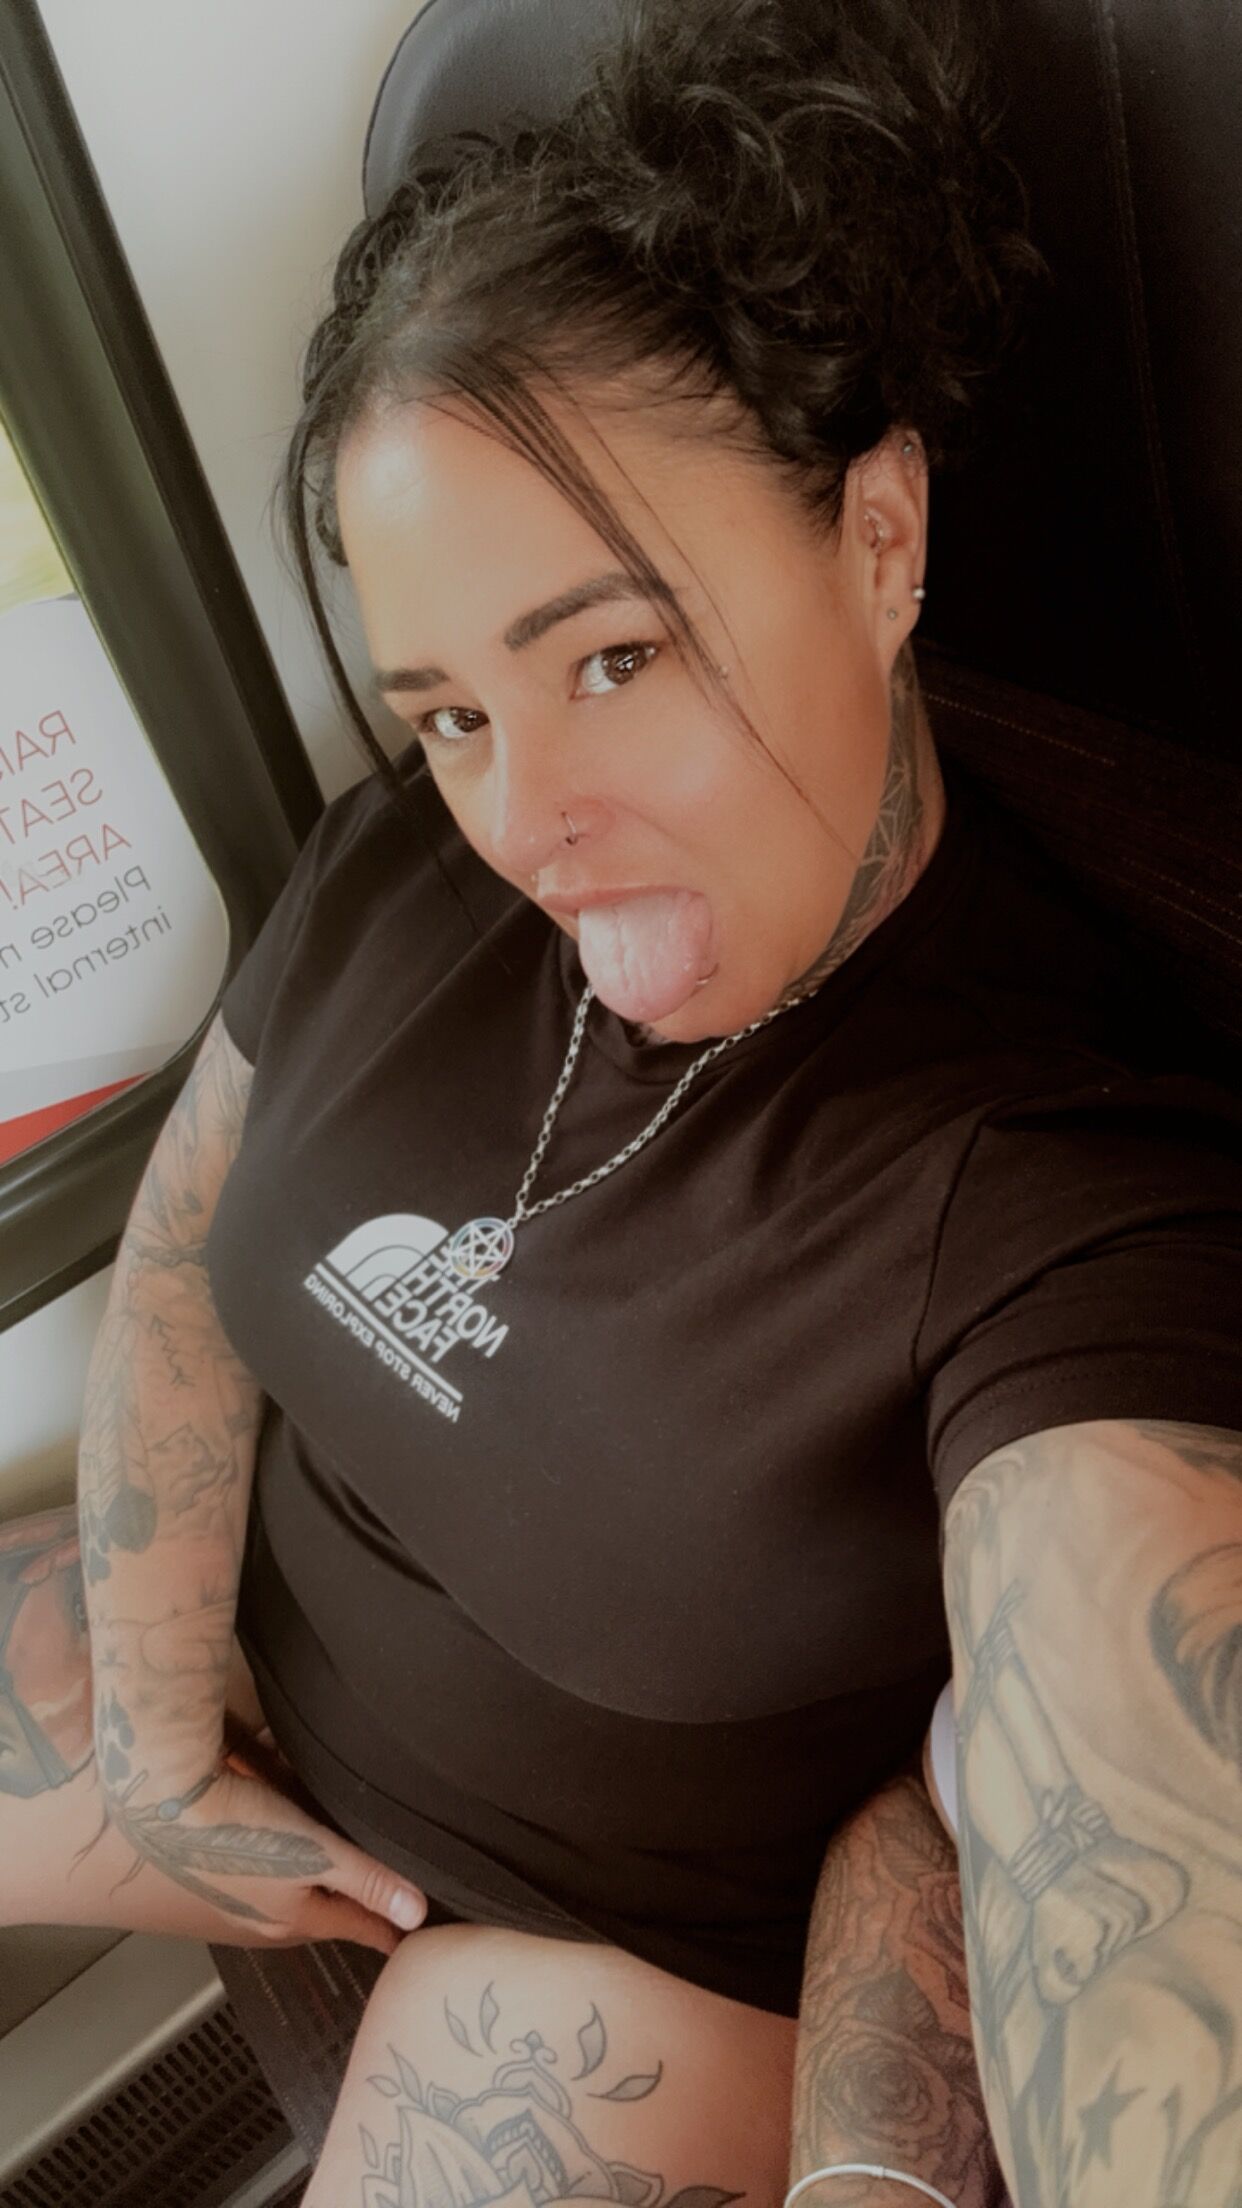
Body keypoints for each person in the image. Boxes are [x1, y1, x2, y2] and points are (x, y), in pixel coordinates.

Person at [4, 1, 1241, 2202]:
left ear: (878, 538)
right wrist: (166, 1717)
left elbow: (1146, 1885)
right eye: (451, 710)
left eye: (612, 656)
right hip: (235, 1679)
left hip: (599, 1977)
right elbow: (187, 1248)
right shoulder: (399, 867)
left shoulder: (1055, 1190)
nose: (525, 822)